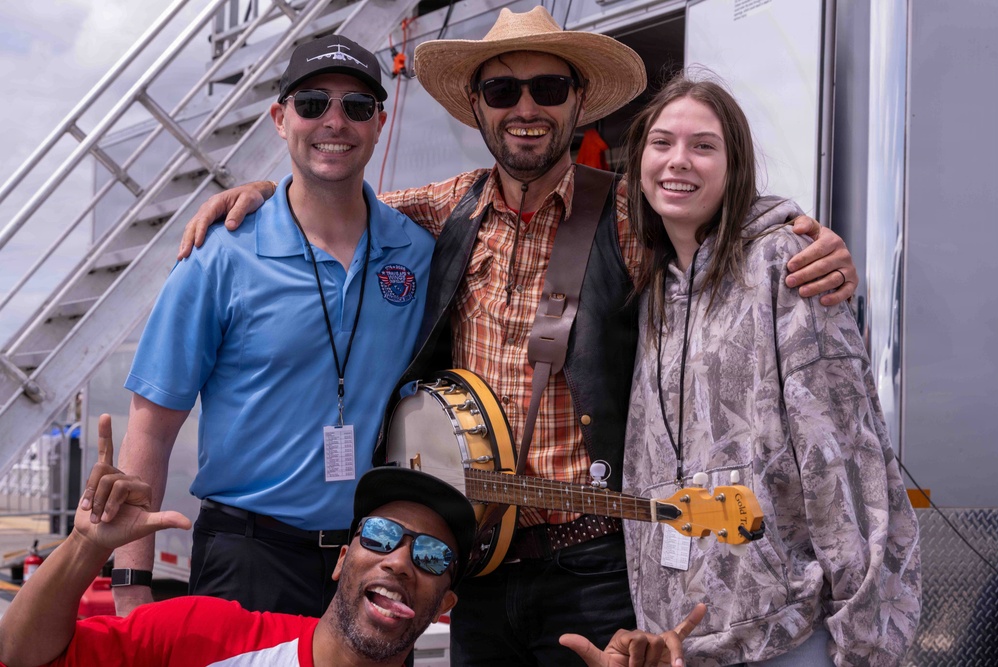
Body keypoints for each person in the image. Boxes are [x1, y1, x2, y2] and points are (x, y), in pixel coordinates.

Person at [175, 7, 859, 664]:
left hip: (592, 565)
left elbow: (718, 211)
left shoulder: (633, 210)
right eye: (503, 91)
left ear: (578, 101)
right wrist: (260, 193)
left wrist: (800, 232)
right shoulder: (445, 206)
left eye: (548, 88)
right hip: (476, 565)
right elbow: (331, 194)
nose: (525, 108)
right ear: (477, 105)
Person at [112, 35, 436, 618]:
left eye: (356, 106)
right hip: (248, 556)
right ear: (280, 119)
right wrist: (132, 583)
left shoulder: (417, 251)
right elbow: (151, 430)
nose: (334, 121)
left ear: (379, 124)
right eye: (312, 103)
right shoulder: (219, 255)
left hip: (372, 561)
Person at [620, 72, 921, 666]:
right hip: (684, 641)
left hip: (788, 634)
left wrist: (864, 640)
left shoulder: (785, 261)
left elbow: (842, 454)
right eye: (662, 142)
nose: (678, 160)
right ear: (639, 163)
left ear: (734, 168)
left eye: (703, 146)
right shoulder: (655, 290)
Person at [0, 415, 704, 667]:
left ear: (446, 603)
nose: (400, 559)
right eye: (381, 534)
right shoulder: (206, 635)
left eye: (432, 556)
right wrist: (85, 547)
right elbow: (22, 654)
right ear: (344, 557)